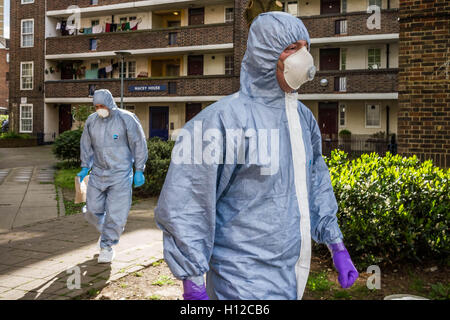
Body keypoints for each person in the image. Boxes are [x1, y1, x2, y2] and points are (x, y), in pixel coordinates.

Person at [155, 12, 358, 300]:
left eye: (305, 47)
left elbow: (315, 180)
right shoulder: (219, 122)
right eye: (290, 48)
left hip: (291, 274)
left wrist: (335, 243)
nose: (302, 58)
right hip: (239, 280)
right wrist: (192, 280)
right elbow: (187, 203)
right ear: (265, 55)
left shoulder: (302, 119)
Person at [77, 89, 148, 264]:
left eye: (102, 105)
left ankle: (107, 246)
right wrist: (85, 167)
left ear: (110, 103)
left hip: (121, 174)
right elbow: (86, 144)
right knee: (92, 211)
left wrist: (139, 169)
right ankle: (106, 233)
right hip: (98, 173)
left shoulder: (126, 118)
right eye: (96, 106)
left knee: (116, 214)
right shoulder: (92, 121)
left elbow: (139, 143)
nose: (99, 109)